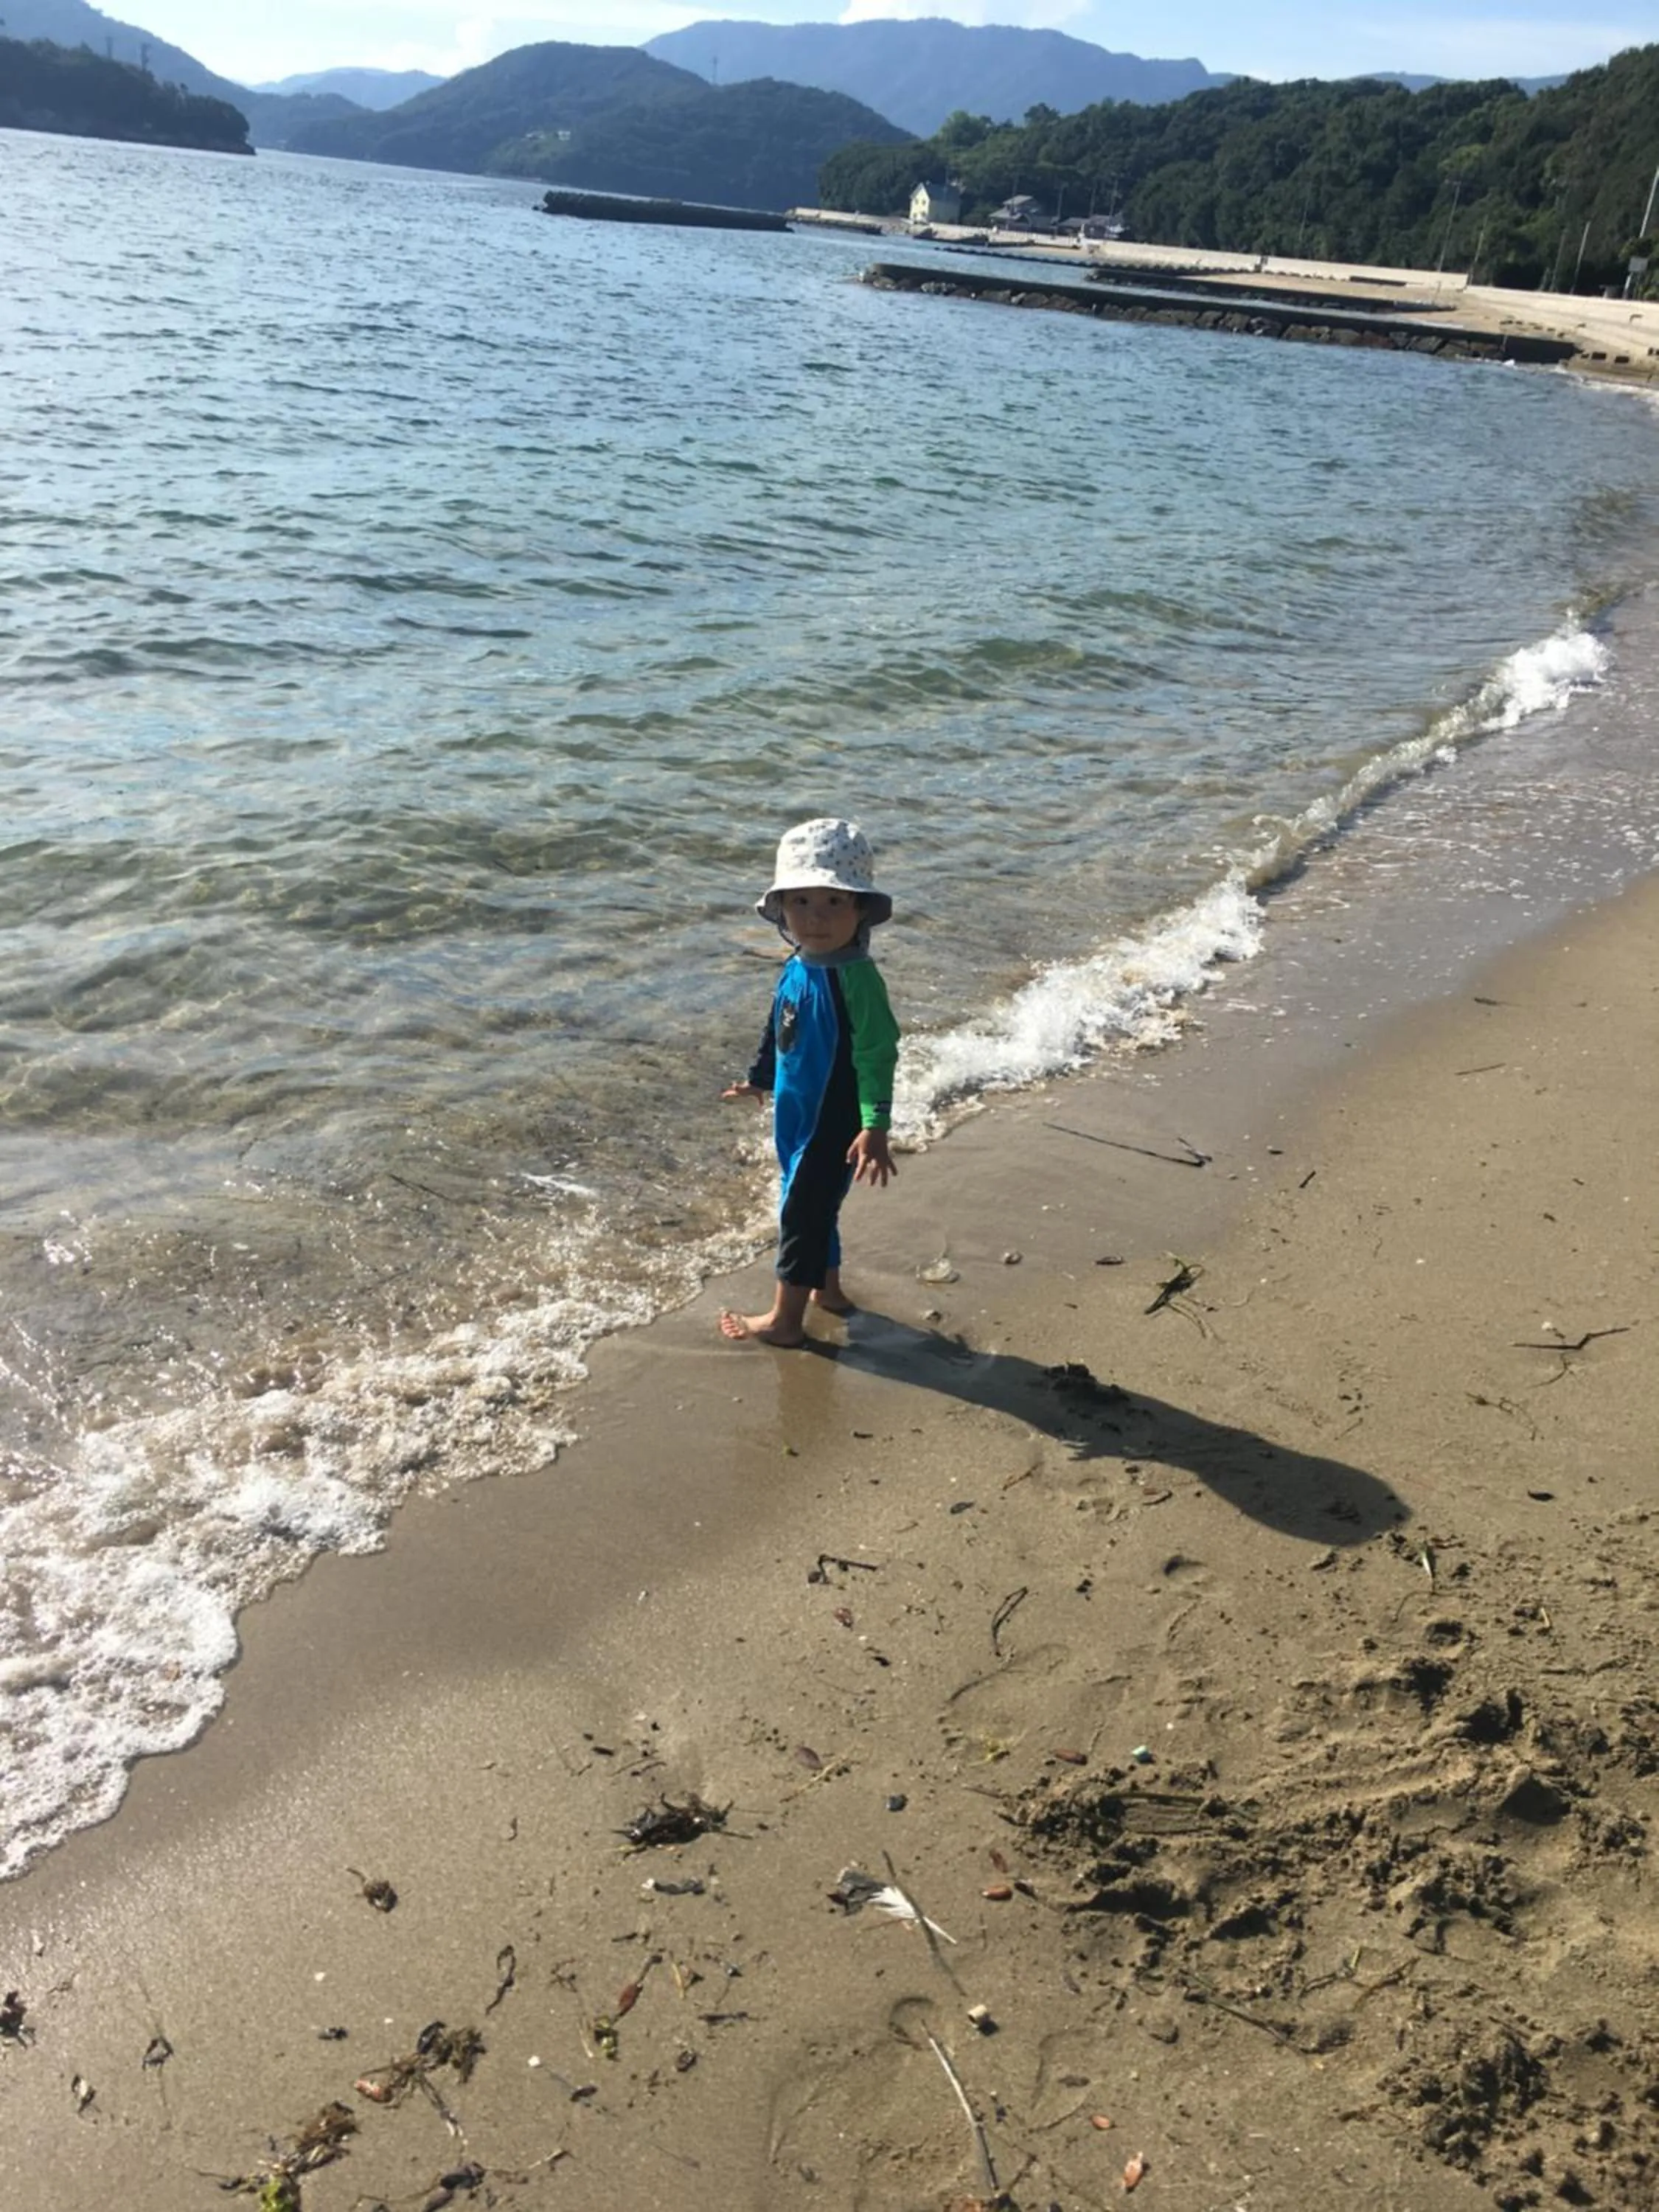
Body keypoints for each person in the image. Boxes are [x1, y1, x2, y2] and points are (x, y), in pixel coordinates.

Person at [719, 818, 900, 1346]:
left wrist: (876, 1124)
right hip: (796, 1114)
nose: (815, 918)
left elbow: (877, 1053)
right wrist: (760, 1079)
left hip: (835, 1118)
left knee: (802, 1209)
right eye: (800, 902)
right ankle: (828, 1290)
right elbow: (782, 1026)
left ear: (861, 909)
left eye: (833, 903)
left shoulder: (857, 980)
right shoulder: (799, 964)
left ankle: (784, 1322)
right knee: (812, 1202)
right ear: (781, 909)